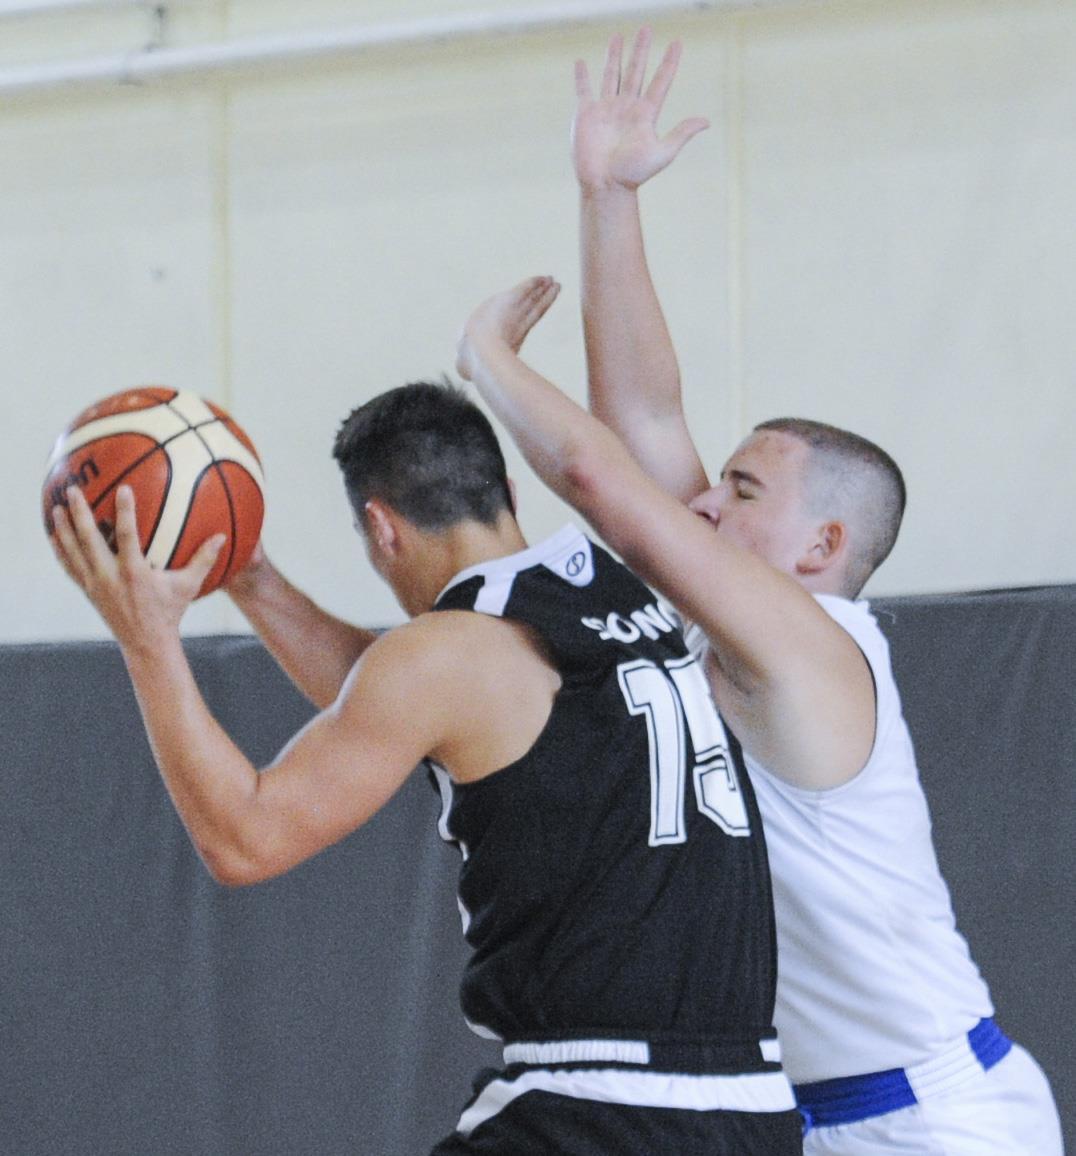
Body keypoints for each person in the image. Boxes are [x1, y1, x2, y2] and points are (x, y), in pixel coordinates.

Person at [453, 32, 1065, 1156]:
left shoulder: (814, 649)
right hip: (794, 1120)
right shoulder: (735, 619)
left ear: (823, 544)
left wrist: (487, 357)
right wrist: (608, 199)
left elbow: (598, 476)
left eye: (739, 489)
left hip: (937, 1121)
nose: (701, 499)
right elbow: (639, 418)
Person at [49, 380, 802, 1155]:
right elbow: (396, 707)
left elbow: (244, 839)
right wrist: (254, 578)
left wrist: (146, 639)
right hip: (750, 1108)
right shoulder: (608, 592)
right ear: (505, 491)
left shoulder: (447, 655)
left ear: (381, 528)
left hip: (597, 1111)